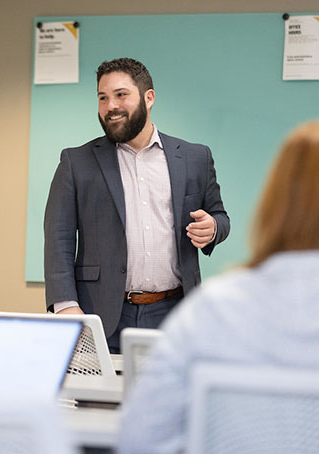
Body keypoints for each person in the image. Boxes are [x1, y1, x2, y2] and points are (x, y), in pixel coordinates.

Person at [118, 120, 319, 453]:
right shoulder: (210, 308)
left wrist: (212, 227)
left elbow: (140, 439)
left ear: (275, 202)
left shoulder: (213, 310)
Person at [44, 57, 230, 352]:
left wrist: (213, 228)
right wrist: (66, 305)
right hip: (99, 315)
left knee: (171, 398)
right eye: (102, 98)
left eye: (121, 95)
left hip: (176, 313)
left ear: (149, 97)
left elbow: (220, 216)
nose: (110, 106)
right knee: (99, 399)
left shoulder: (195, 157)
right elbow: (58, 238)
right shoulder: (75, 162)